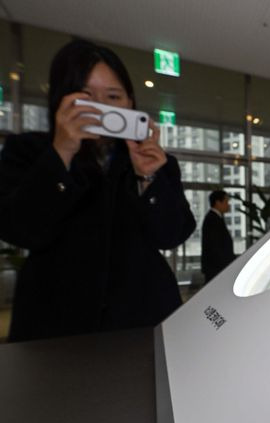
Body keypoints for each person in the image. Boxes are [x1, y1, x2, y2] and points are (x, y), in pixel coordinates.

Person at [0, 39, 196, 342]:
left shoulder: (157, 161)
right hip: (55, 324)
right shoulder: (29, 151)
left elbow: (171, 235)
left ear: (130, 102)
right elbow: (22, 230)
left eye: (113, 96)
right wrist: (61, 154)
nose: (101, 107)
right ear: (61, 99)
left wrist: (148, 177)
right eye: (86, 96)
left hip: (143, 319)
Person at [201, 190, 235, 283]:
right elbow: (215, 247)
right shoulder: (212, 220)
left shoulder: (216, 218)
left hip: (218, 268)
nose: (228, 205)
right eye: (226, 201)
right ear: (218, 202)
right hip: (216, 268)